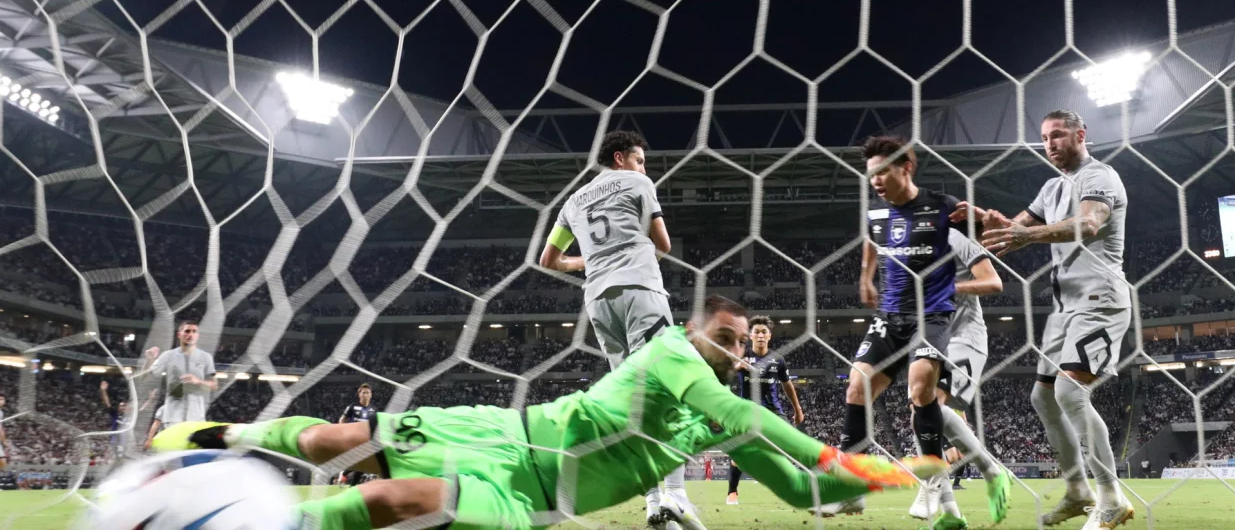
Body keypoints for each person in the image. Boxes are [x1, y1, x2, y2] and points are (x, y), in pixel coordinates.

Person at [153, 295, 945, 530]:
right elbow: (777, 435)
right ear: (696, 329)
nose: (736, 354)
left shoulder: (717, 416)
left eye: (742, 347)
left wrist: (869, 480)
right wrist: (837, 453)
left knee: (398, 499)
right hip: (502, 429)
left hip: (531, 491)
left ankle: (242, 521)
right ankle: (232, 434)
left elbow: (803, 492)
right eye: (728, 338)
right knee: (337, 440)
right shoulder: (670, 351)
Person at [953, 109, 1134, 530]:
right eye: (1045, 138)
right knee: (1042, 397)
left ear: (1080, 135)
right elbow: (1014, 231)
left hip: (1100, 300)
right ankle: (1077, 492)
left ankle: (1111, 498)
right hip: (1064, 307)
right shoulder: (1052, 187)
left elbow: (1089, 223)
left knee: (1071, 394)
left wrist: (1026, 235)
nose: (1049, 144)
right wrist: (989, 222)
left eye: (1057, 135)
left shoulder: (1099, 177)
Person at [537, 130, 697, 530]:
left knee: (632, 401)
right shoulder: (638, 182)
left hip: (599, 304)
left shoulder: (572, 201)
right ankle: (676, 496)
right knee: (668, 385)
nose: (645, 167)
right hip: (639, 290)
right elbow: (663, 243)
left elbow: (548, 259)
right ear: (621, 158)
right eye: (641, 159)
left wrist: (586, 263)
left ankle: (650, 501)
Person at [817, 136, 961, 519]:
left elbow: (983, 233)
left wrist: (996, 223)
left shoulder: (944, 207)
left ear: (907, 167)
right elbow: (871, 240)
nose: (877, 181)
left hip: (932, 315)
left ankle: (931, 481)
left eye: (883, 172)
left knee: (919, 387)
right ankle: (850, 486)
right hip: (891, 315)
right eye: (871, 175)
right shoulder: (875, 213)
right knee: (856, 385)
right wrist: (866, 277)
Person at [907, 228, 1012, 529]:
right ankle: (951, 513)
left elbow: (993, 282)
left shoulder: (954, 240)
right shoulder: (907, 253)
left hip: (966, 337)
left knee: (931, 405)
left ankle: (988, 470)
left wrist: (951, 287)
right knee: (920, 412)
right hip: (932, 338)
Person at [726, 315, 804, 505]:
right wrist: (736, 367)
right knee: (739, 453)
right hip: (747, 411)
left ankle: (791, 485)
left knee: (789, 444)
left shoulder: (778, 360)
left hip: (773, 411)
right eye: (757, 332)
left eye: (764, 332)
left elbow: (787, 385)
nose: (760, 335)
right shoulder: (741, 356)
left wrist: (797, 409)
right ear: (750, 335)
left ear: (770, 336)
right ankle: (732, 492)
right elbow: (722, 377)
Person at [141, 320, 218, 426]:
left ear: (198, 335)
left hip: (196, 417)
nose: (191, 334)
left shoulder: (206, 357)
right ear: (179, 335)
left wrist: (197, 381)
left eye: (194, 331)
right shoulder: (168, 356)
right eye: (187, 331)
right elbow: (145, 378)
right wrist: (149, 360)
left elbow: (214, 385)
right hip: (173, 417)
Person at [338, 383, 378, 487]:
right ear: (359, 394)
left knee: (364, 464)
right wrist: (342, 432)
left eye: (368, 393)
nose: (366, 395)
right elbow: (342, 420)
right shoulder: (352, 406)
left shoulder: (373, 409)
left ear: (371, 395)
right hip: (353, 438)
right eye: (363, 393)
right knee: (361, 462)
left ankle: (349, 480)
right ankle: (348, 477)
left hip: (366, 439)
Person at [0, 394, 9, 470]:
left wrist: (4, 441)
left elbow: (0, 429)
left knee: (3, 463)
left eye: (2, 399)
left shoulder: (1, 413)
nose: (1, 401)